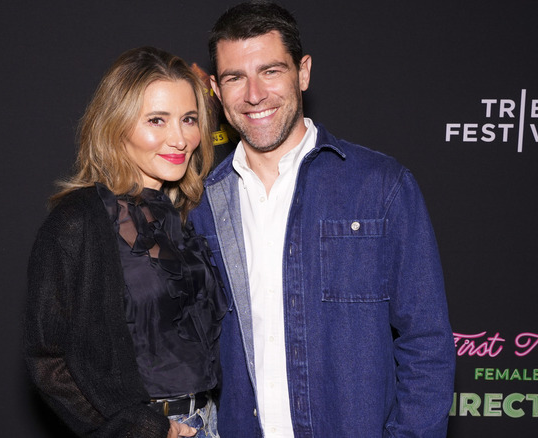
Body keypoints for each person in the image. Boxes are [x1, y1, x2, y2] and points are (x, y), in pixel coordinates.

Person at [188, 2, 456, 437]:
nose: (254, 94)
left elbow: (427, 341)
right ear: (217, 90)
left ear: (303, 71)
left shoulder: (380, 185)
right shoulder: (201, 202)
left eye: (271, 71)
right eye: (236, 77)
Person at [24, 46, 226, 438]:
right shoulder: (78, 222)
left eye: (189, 119)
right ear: (117, 125)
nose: (180, 138)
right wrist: (141, 428)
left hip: (212, 422)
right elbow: (47, 357)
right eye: (157, 120)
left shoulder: (189, 214)